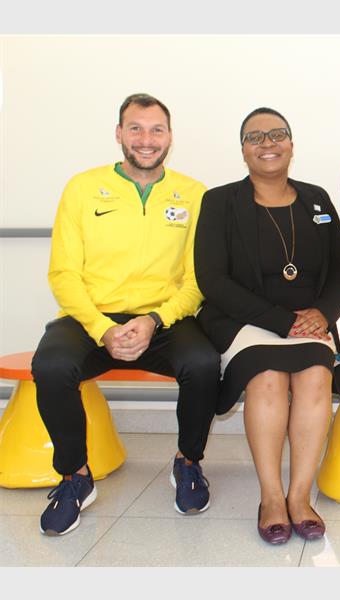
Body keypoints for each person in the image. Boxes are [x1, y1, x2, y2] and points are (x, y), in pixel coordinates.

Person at [31, 93, 220, 536]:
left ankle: (188, 462)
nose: (146, 139)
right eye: (135, 128)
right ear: (119, 133)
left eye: (156, 129)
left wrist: (154, 320)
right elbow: (63, 273)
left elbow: (197, 280)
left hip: (163, 319)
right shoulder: (82, 188)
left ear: (170, 137)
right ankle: (75, 476)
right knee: (51, 367)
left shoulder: (195, 194)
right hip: (90, 318)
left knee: (203, 364)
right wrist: (102, 328)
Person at [194, 108, 340, 545]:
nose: (268, 143)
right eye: (255, 137)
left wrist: (324, 313)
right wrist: (283, 322)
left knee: (316, 376)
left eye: (277, 134)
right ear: (243, 150)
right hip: (243, 319)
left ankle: (299, 497)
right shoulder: (219, 202)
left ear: (291, 144)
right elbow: (212, 279)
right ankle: (270, 497)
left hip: (309, 320)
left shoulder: (316, 199)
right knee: (267, 377)